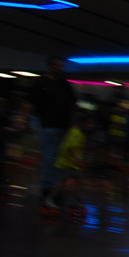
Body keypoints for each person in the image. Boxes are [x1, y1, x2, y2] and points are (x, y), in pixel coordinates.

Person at [29, 56, 77, 202]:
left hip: (62, 125)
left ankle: (54, 189)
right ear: (50, 66)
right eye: (57, 65)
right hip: (48, 124)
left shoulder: (63, 83)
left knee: (59, 158)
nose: (60, 68)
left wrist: (72, 122)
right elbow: (33, 103)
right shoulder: (42, 82)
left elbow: (72, 103)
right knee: (50, 158)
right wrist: (33, 122)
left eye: (61, 65)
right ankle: (47, 188)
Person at [45, 112, 89, 213]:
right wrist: (78, 161)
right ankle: (50, 199)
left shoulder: (76, 131)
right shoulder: (76, 133)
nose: (90, 126)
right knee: (63, 181)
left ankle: (73, 199)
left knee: (79, 179)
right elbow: (71, 149)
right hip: (67, 162)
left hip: (71, 162)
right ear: (83, 123)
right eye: (88, 123)